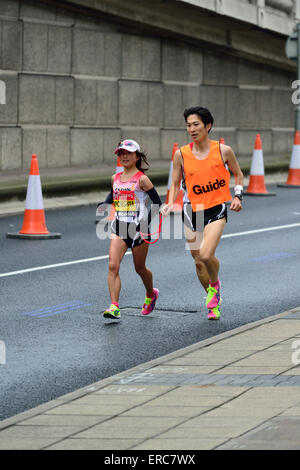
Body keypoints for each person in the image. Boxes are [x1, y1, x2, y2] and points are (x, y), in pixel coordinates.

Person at [161, 106, 243, 320]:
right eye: (188, 125)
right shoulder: (182, 154)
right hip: (192, 210)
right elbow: (176, 183)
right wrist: (169, 203)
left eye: (196, 124)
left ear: (208, 126)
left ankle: (215, 287)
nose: (191, 129)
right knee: (198, 262)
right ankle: (213, 302)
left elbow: (238, 174)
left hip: (216, 208)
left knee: (206, 254)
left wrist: (237, 196)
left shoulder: (223, 151)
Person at [99, 139, 162, 320]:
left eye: (128, 153)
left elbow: (157, 203)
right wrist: (105, 204)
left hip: (138, 230)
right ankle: (114, 306)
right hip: (119, 227)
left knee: (140, 268)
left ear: (137, 156)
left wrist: (146, 225)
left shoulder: (142, 179)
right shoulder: (115, 178)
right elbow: (114, 194)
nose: (124, 156)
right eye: (121, 153)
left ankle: (151, 294)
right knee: (113, 265)